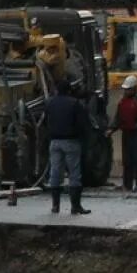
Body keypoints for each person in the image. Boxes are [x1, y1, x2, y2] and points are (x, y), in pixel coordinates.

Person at [42, 82, 92, 215]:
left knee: (55, 173)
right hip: (71, 141)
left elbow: (46, 121)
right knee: (74, 174)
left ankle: (55, 206)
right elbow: (83, 124)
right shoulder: (75, 103)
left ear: (57, 90)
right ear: (69, 91)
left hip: (54, 142)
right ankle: (75, 206)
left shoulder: (49, 103)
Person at [111, 76, 137, 194]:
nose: (126, 91)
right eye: (125, 89)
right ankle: (127, 184)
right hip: (126, 133)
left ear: (134, 89)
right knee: (127, 160)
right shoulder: (122, 101)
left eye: (128, 89)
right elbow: (118, 117)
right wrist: (111, 129)